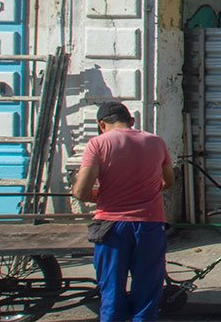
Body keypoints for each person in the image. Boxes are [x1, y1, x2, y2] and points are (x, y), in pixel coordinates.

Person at [72, 101, 174, 322]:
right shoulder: (156, 142)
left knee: (112, 291)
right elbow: (169, 181)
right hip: (150, 224)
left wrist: (100, 195)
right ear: (132, 121)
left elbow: (81, 191)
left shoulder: (97, 144)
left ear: (101, 124)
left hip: (112, 228)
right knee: (147, 292)